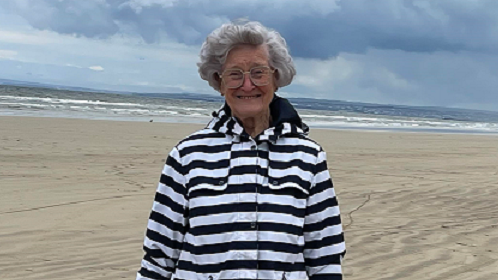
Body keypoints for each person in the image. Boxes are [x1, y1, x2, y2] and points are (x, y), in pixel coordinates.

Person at [137, 21, 346, 280]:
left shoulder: (308, 157)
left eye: (258, 72)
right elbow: (158, 259)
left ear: (276, 77)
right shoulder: (187, 155)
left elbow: (325, 259)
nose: (247, 86)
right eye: (235, 74)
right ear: (219, 82)